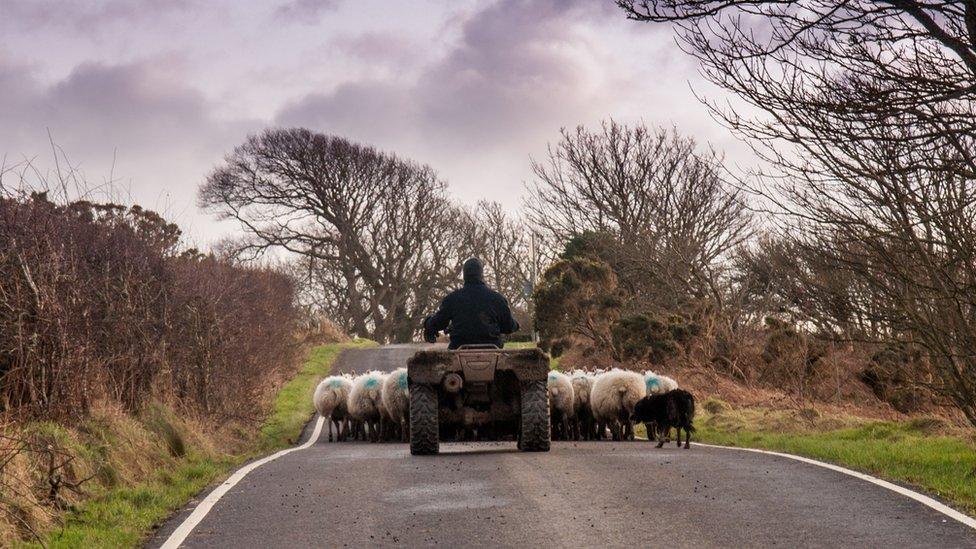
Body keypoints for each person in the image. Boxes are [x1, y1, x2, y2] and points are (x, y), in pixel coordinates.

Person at [423, 257, 520, 349]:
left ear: (464, 276)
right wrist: (515, 325)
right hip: (491, 353)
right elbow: (509, 327)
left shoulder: (452, 299)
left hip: (459, 354)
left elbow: (438, 323)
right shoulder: (497, 299)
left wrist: (428, 324)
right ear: (481, 275)